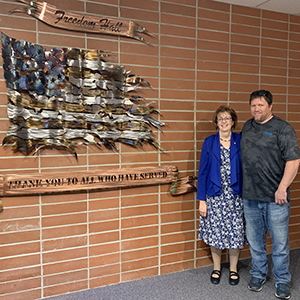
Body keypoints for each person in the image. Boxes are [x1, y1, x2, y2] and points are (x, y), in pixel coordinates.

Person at [240, 90, 300, 300]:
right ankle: (258, 273)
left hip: (276, 198)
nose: (256, 109)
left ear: (270, 106)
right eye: (253, 105)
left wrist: (283, 187)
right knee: (255, 241)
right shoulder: (247, 126)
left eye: (261, 105)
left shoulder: (282, 129)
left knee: (280, 244)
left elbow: (293, 161)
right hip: (250, 197)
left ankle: (282, 279)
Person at [197, 105, 246, 286]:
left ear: (233, 122)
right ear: (216, 123)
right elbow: (202, 172)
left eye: (227, 118)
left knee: (236, 232)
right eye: (220, 119)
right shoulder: (209, 142)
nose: (224, 122)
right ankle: (216, 268)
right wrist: (202, 200)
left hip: (236, 197)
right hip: (215, 196)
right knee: (215, 232)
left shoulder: (240, 141)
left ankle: (233, 269)